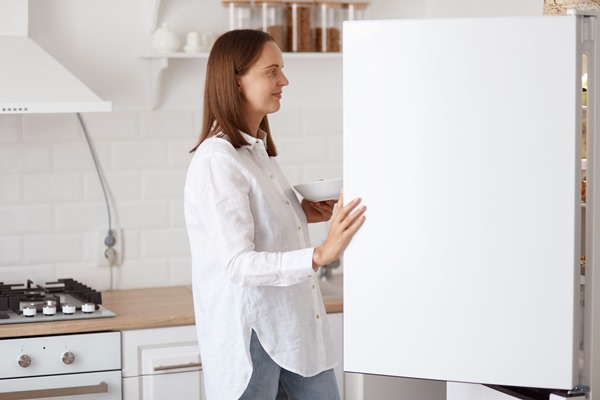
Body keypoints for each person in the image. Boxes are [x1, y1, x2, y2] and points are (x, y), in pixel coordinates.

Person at [184, 29, 366, 400]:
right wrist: (319, 254)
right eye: (272, 71)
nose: (284, 80)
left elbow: (256, 227)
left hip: (293, 332)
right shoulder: (217, 160)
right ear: (237, 81)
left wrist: (299, 214)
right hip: (253, 340)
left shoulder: (255, 152)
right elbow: (238, 264)